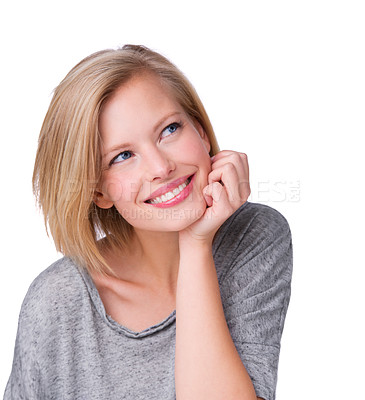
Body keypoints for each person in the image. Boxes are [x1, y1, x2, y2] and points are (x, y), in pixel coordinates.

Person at [4, 45, 292, 400]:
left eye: (169, 129)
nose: (160, 167)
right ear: (99, 193)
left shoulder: (253, 237)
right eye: (123, 156)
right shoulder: (56, 301)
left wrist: (196, 243)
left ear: (201, 132)